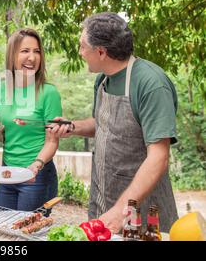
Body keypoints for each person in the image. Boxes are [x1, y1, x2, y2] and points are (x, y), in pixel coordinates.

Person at [51, 12, 178, 233]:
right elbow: (105, 125)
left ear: (101, 51)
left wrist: (122, 210)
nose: (80, 53)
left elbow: (159, 156)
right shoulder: (103, 80)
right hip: (104, 203)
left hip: (144, 214)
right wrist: (73, 127)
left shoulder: (150, 84)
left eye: (82, 46)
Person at [0, 28, 61, 213]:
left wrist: (36, 165)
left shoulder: (48, 92)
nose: (32, 57)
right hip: (7, 174)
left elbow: (52, 141)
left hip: (36, 177)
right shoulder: (2, 89)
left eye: (37, 51)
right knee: (2, 229)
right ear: (12, 56)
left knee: (29, 232)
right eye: (25, 51)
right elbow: (3, 134)